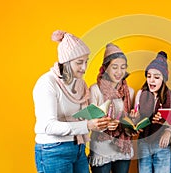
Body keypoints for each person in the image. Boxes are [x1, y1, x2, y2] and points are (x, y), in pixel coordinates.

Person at [33, 30, 111, 173]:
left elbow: (81, 117)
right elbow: (48, 126)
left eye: (86, 61)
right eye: (79, 62)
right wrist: (87, 125)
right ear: (65, 62)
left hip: (78, 147)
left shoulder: (80, 84)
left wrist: (101, 122)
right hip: (54, 150)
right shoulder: (47, 83)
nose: (84, 68)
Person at [88, 43, 135, 173]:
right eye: (114, 67)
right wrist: (107, 124)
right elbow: (91, 119)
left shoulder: (129, 91)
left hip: (122, 147)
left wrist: (133, 119)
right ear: (105, 68)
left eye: (123, 67)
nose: (119, 72)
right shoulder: (95, 90)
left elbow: (129, 120)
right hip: (102, 147)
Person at [131, 51, 171, 173]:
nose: (151, 80)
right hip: (143, 144)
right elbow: (136, 118)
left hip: (161, 145)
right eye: (149, 76)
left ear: (163, 79)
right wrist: (134, 120)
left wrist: (168, 131)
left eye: (156, 77)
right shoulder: (140, 94)